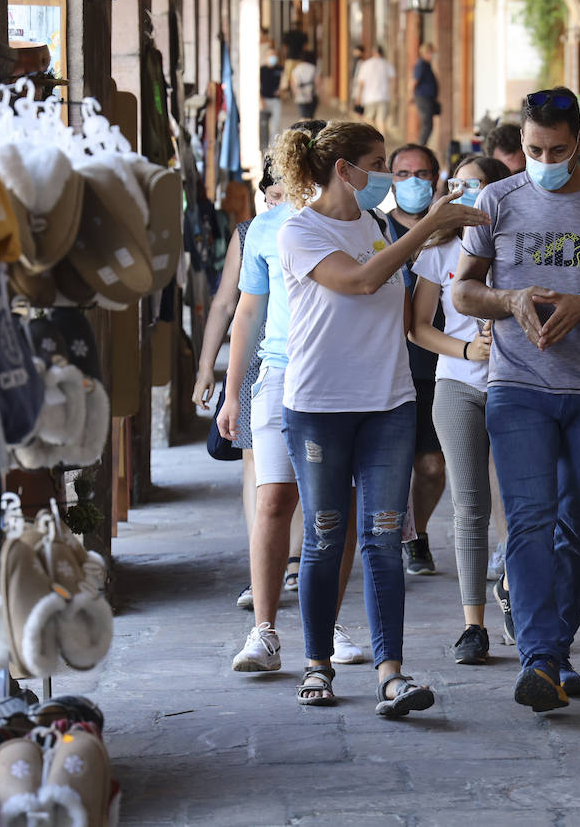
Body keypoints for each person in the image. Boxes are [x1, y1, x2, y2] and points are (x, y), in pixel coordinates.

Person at [453, 87, 580, 713]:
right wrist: (507, 300)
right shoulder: (498, 199)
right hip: (516, 387)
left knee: (577, 526)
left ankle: (558, 648)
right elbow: (462, 292)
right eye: (534, 149)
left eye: (558, 149)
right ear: (520, 143)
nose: (545, 159)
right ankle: (539, 658)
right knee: (530, 520)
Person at [271, 120, 488, 714]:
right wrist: (427, 230)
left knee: (385, 537)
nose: (387, 177)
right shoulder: (300, 232)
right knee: (324, 535)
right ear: (345, 170)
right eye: (378, 164)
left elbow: (401, 300)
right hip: (319, 406)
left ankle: (390, 670)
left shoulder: (371, 226)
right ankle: (316, 664)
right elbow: (362, 281)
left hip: (388, 402)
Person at [217, 123, 367, 674]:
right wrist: (233, 394)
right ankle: (264, 631)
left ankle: (327, 624)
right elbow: (247, 314)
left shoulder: (361, 223)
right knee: (274, 498)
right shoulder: (266, 227)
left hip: (344, 376)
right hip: (280, 373)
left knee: (340, 507)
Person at [410, 154, 512, 664]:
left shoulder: (519, 245)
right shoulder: (438, 250)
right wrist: (468, 350)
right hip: (457, 386)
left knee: (519, 504)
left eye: (479, 185)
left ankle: (516, 595)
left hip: (517, 385)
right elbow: (418, 326)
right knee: (469, 504)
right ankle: (473, 625)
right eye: (461, 184)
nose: (469, 193)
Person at [191, 204, 265, 611]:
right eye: (272, 194)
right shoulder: (251, 231)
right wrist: (207, 369)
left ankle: (292, 562)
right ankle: (261, 569)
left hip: (311, 360)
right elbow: (226, 305)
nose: (279, 201)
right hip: (253, 359)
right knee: (255, 464)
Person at [385, 144, 447, 576]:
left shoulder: (449, 231)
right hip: (382, 365)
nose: (413, 182)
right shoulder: (372, 227)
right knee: (387, 467)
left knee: (429, 464)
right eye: (403, 174)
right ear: (390, 180)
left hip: (434, 363)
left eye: (422, 174)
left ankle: (418, 534)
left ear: (437, 179)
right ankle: (387, 540)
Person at [354, 46, 396, 131]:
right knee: (382, 121)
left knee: (369, 120)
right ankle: (382, 140)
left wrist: (359, 97)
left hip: (369, 97)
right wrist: (393, 94)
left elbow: (361, 83)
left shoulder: (366, 64)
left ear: (373, 53)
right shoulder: (387, 64)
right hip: (383, 96)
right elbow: (393, 80)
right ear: (382, 53)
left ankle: (372, 138)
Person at [410, 43, 439, 146]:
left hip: (428, 98)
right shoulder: (421, 65)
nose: (433, 55)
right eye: (431, 53)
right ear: (426, 53)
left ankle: (422, 146)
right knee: (427, 125)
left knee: (428, 125)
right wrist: (411, 96)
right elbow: (414, 81)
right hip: (423, 98)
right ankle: (421, 147)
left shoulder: (426, 65)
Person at [260, 51, 284, 144]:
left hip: (276, 101)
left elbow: (285, 82)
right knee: (263, 126)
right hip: (264, 100)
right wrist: (260, 99)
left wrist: (282, 90)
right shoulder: (262, 70)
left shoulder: (280, 69)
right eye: (270, 56)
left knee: (275, 125)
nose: (272, 58)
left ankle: (273, 147)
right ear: (266, 57)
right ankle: (264, 146)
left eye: (274, 55)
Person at [291, 50, 319, 120]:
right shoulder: (313, 68)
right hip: (311, 95)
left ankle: (303, 129)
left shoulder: (296, 68)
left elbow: (293, 83)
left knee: (303, 116)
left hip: (300, 95)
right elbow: (317, 82)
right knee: (310, 117)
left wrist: (294, 93)